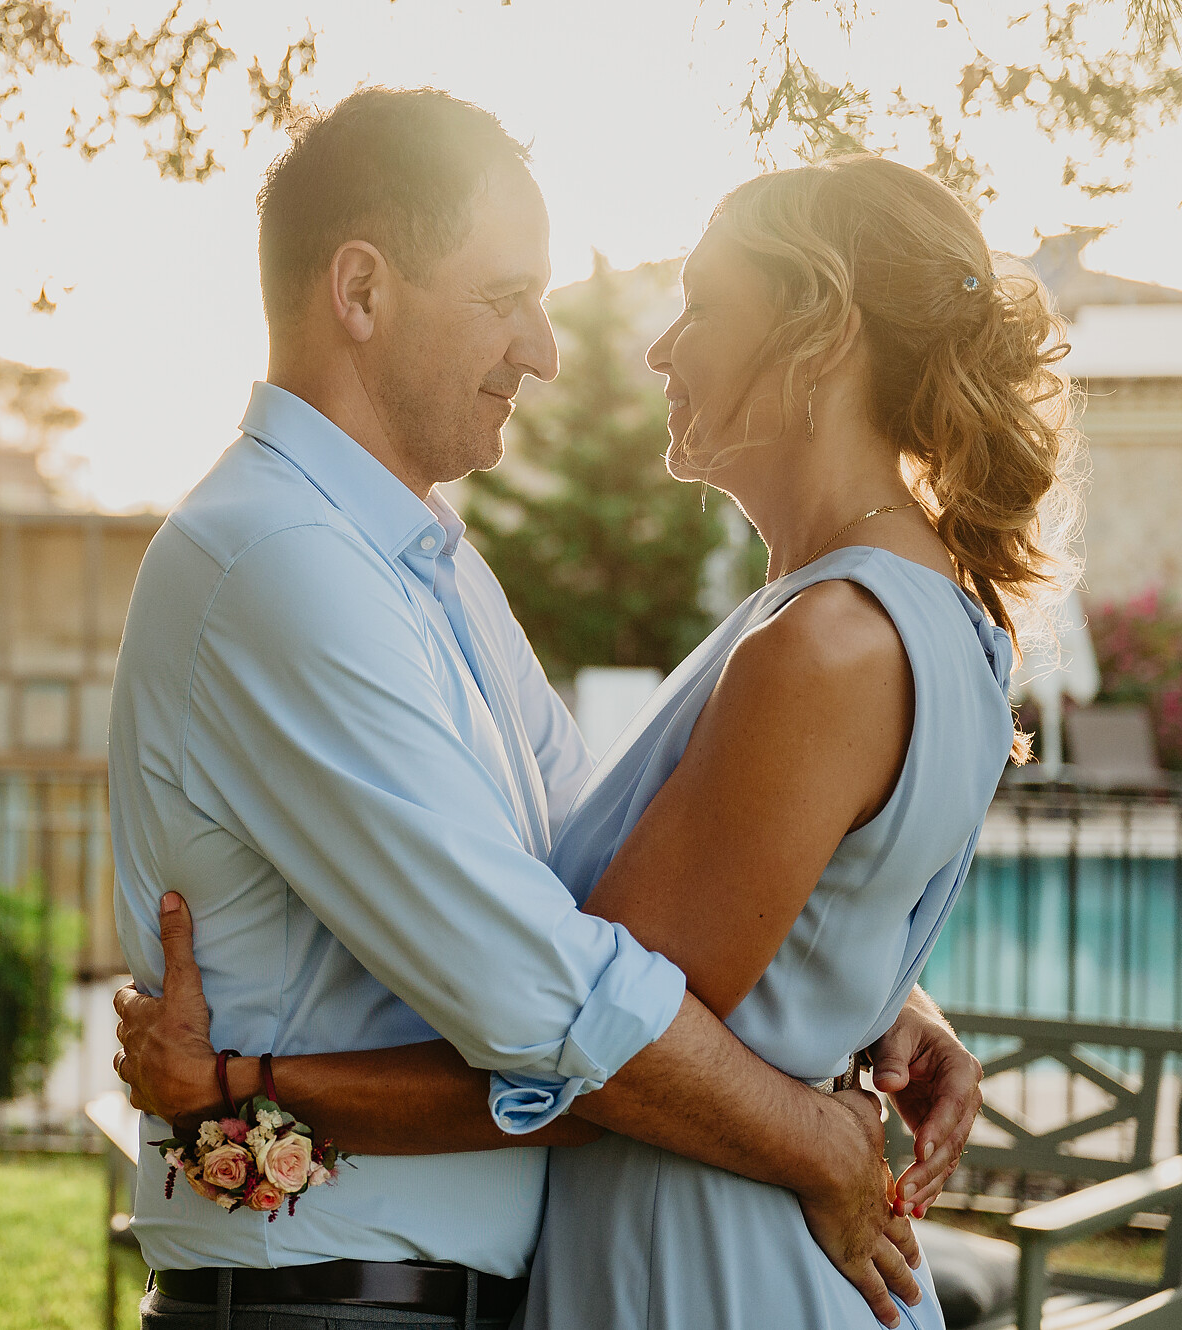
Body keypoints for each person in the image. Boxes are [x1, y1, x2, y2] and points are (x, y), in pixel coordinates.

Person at [114, 147, 1079, 1329]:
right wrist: (832, 1071)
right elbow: (579, 974)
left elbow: (590, 1009)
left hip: (700, 1269)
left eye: (701, 306)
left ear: (818, 335)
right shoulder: (298, 557)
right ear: (359, 292)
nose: (576, 348)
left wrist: (223, 1087)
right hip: (395, 1288)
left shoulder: (816, 636)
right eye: (503, 297)